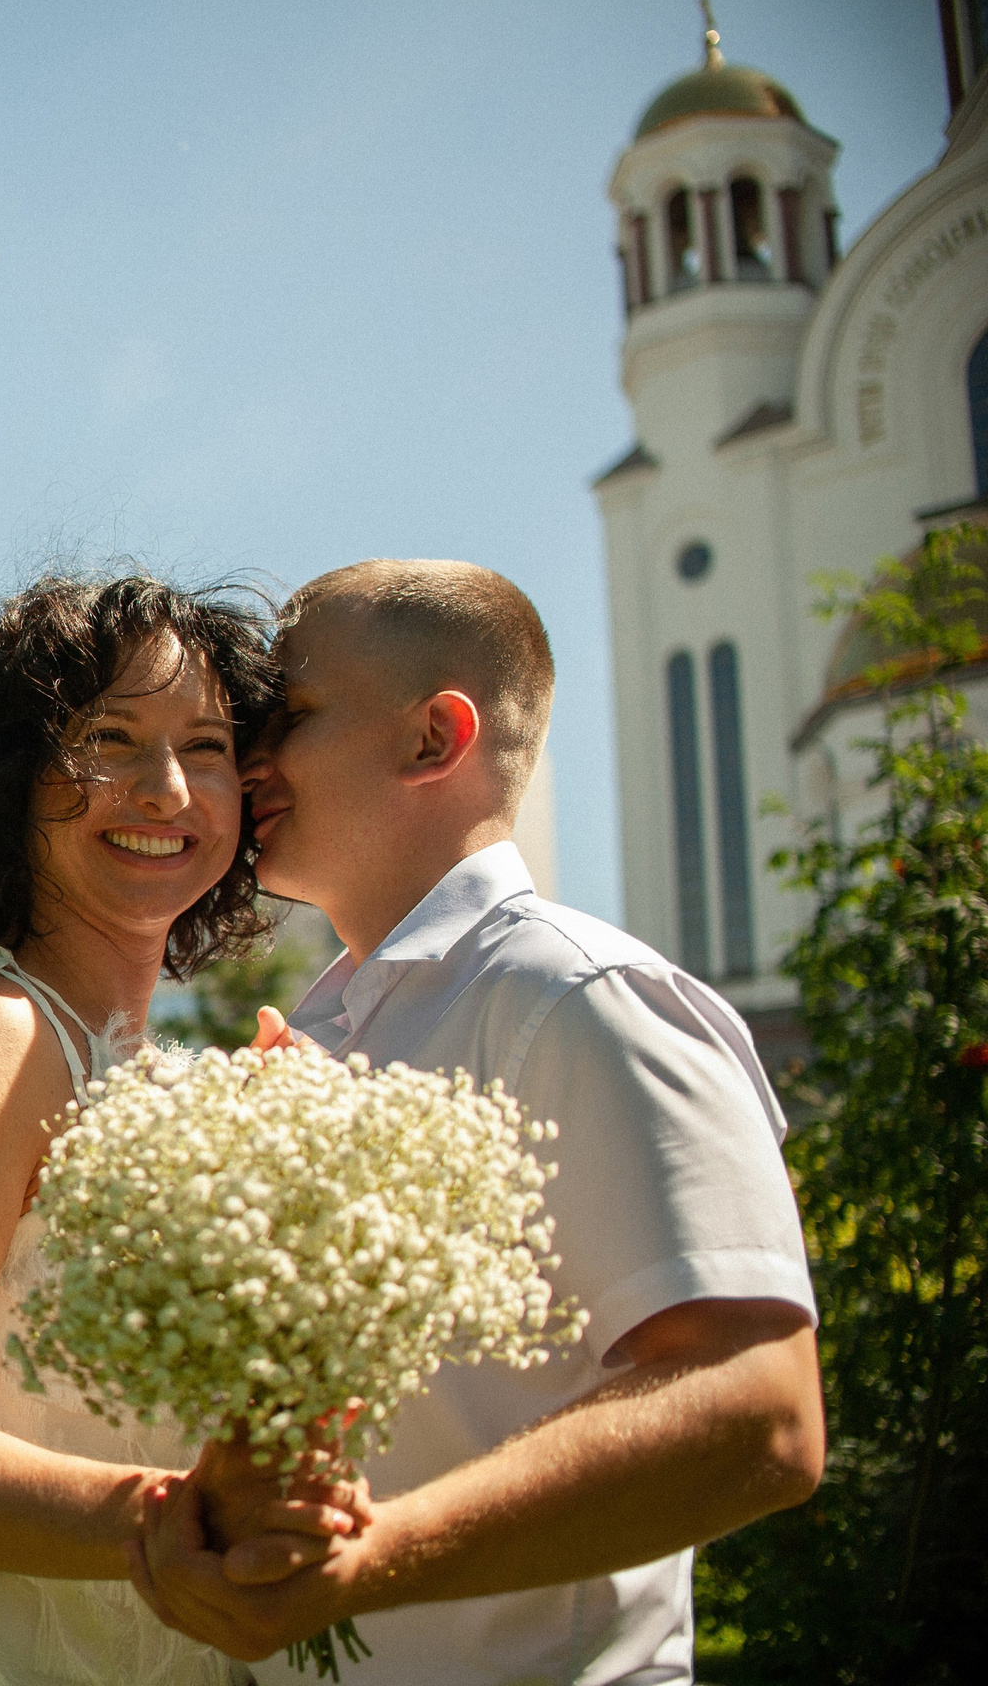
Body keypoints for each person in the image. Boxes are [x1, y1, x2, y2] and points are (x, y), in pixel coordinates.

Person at [126, 560, 825, 1683]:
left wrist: (380, 1562)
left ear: (432, 739)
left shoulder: (574, 995)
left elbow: (758, 1412)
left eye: (286, 717)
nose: (242, 761)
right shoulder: (317, 1035)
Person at [0, 572, 365, 1686]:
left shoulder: (167, 1072)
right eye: (110, 738)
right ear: (15, 777)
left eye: (203, 747)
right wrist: (165, 1529)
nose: (164, 790)